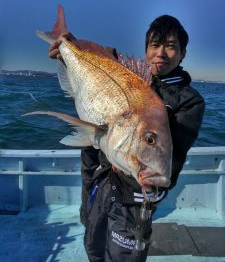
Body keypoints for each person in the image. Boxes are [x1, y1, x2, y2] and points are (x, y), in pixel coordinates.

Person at [49, 15, 205, 262]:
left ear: (183, 53)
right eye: (154, 45)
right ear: (146, 50)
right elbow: (100, 73)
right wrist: (69, 48)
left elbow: (170, 158)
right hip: (100, 184)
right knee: (93, 247)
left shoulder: (188, 101)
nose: (161, 53)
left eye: (171, 46)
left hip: (135, 199)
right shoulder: (129, 76)